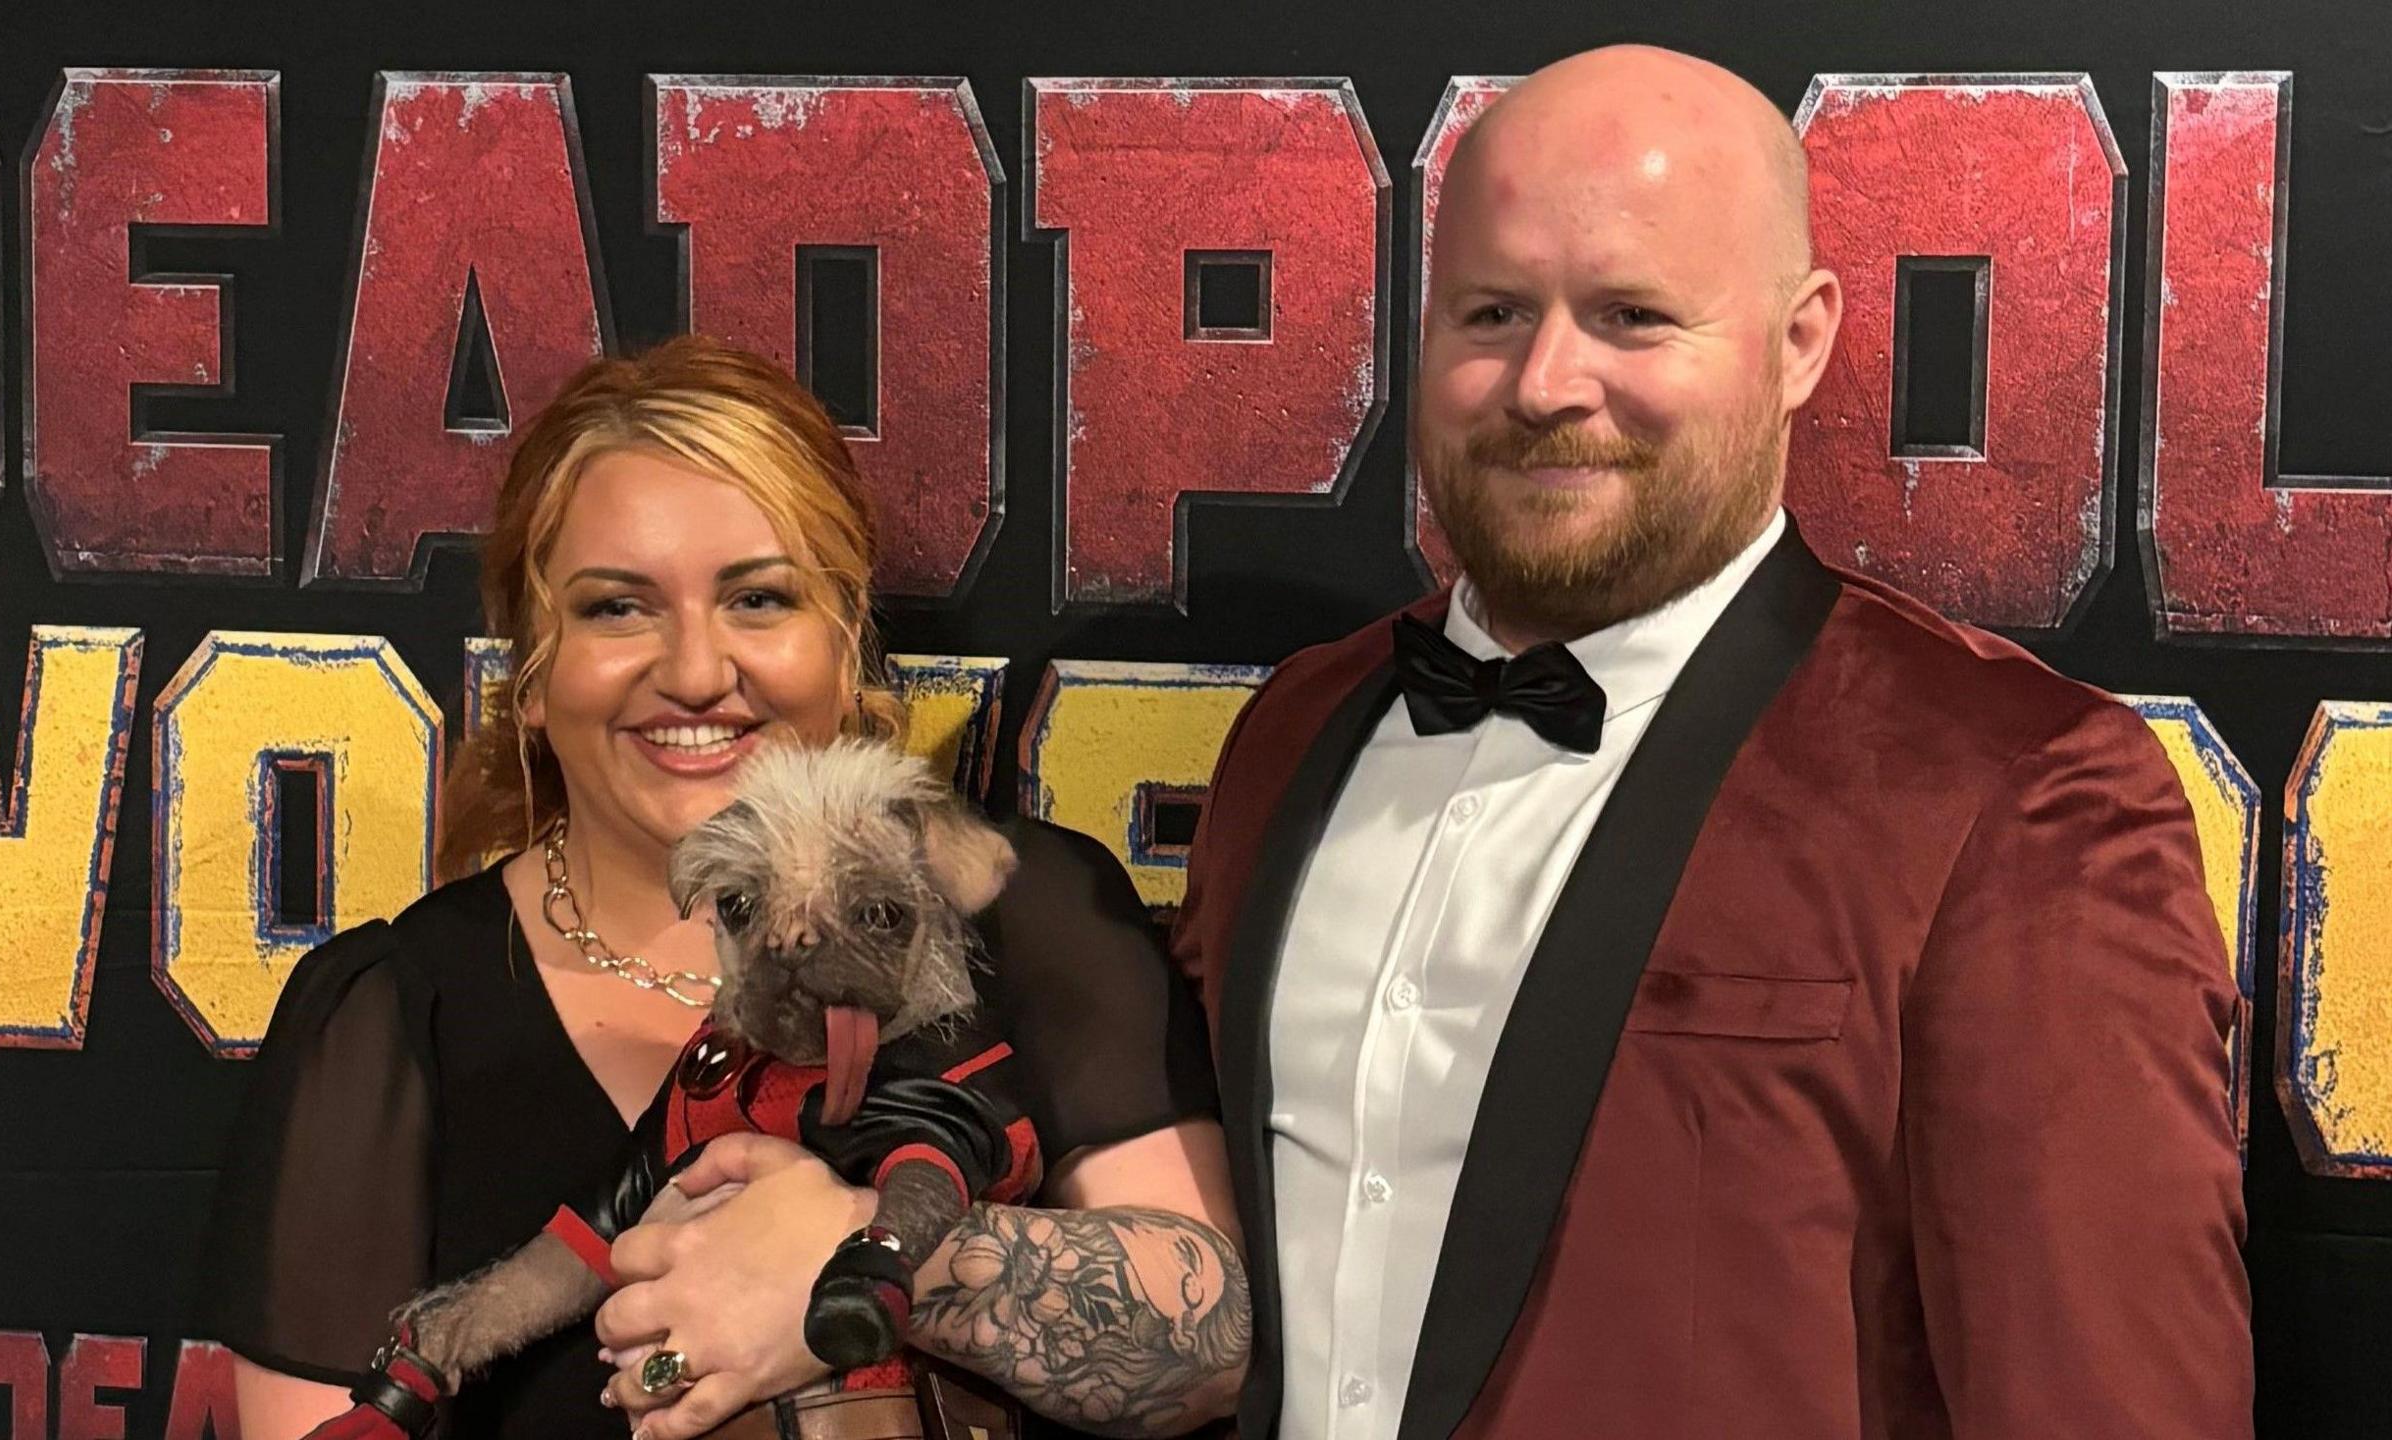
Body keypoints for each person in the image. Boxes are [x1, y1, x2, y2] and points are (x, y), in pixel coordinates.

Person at [1167, 45, 2253, 1440]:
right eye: (1492, 312)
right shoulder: (1292, 734)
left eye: (1631, 315)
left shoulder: (2015, 796)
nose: (1546, 382)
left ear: (1799, 342)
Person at [199, 334, 1249, 1439]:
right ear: (533, 673)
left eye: (758, 600)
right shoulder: (384, 1016)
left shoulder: (1025, 910)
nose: (697, 670)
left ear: (844, 647)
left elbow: (1210, 1350)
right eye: (616, 608)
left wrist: (851, 1263)